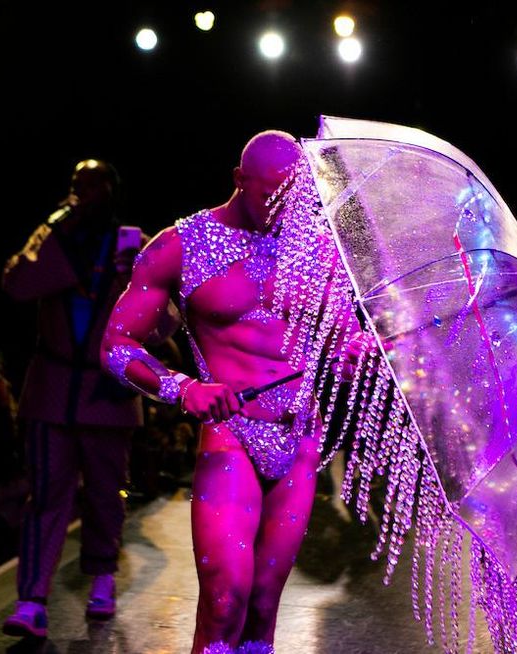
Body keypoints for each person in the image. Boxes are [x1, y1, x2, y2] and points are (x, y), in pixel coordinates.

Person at [101, 131, 359, 654]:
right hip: (231, 434)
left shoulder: (316, 247)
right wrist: (181, 388)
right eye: (269, 196)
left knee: (263, 606)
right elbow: (115, 343)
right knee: (224, 602)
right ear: (239, 180)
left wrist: (356, 351)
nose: (281, 211)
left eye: (292, 199)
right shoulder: (181, 244)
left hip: (299, 436)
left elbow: (342, 336)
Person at [1, 160, 150, 637]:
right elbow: (16, 284)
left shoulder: (133, 244)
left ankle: (103, 578)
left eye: (91, 185)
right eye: (75, 185)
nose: (81, 193)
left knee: (106, 493)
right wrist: (53, 226)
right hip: (53, 392)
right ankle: (31, 601)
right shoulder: (55, 237)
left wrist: (134, 287)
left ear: (111, 190)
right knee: (45, 496)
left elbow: (165, 318)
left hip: (107, 393)